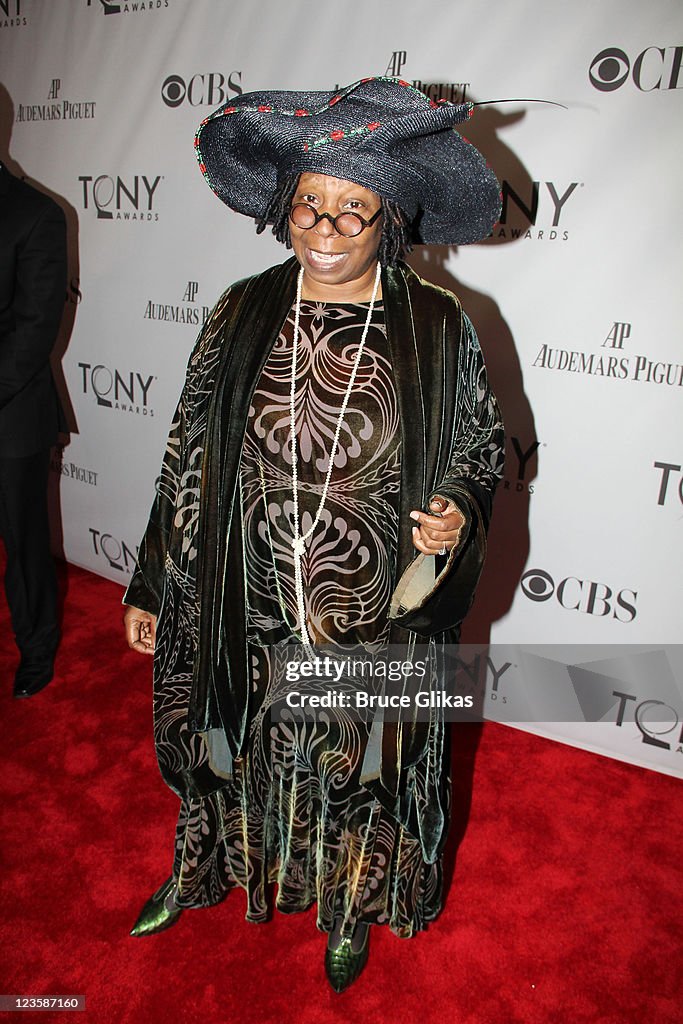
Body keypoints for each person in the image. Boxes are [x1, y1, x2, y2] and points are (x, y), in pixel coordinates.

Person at [123, 77, 504, 992]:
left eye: (352, 213)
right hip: (240, 586)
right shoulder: (240, 307)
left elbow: (478, 448)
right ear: (281, 213)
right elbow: (185, 449)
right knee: (222, 733)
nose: (325, 232)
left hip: (368, 601)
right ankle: (206, 864)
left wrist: (455, 508)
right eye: (308, 208)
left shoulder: (436, 324)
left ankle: (351, 904)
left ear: (390, 224)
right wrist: (148, 581)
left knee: (360, 756)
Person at [0, 161, 67, 698]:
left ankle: (37, 648)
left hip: (11, 416)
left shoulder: (36, 214)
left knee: (24, 545)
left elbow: (33, 329)